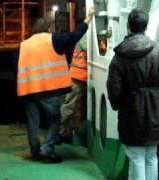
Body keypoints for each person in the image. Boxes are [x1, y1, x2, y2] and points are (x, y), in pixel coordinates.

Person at [17, 8, 94, 162]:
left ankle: (35, 151)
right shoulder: (53, 39)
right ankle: (47, 149)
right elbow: (74, 37)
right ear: (48, 28)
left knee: (33, 121)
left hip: (27, 90)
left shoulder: (24, 44)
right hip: (47, 89)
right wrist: (88, 19)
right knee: (54, 118)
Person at [107, 9, 159, 180]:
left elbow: (114, 88)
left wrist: (118, 104)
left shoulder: (120, 56)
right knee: (152, 156)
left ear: (128, 26)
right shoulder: (156, 51)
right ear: (146, 26)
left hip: (131, 111)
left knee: (136, 156)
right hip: (155, 111)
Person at [60, 36, 88, 143]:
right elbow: (90, 50)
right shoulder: (86, 35)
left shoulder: (85, 34)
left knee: (71, 104)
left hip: (81, 76)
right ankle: (60, 131)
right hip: (78, 75)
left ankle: (66, 130)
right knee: (69, 105)